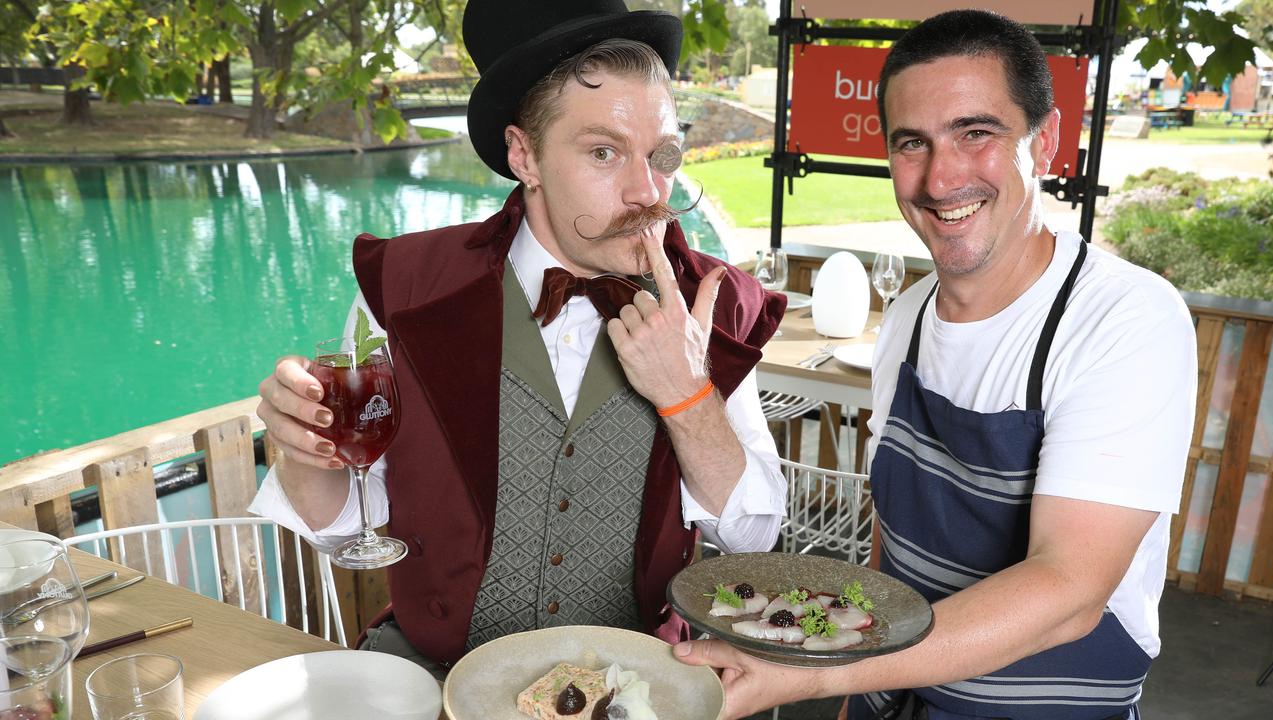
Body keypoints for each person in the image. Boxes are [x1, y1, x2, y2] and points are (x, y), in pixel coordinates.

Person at [674, 10, 1196, 720]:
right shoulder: (909, 316)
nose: (940, 177)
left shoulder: (1124, 320)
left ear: (1044, 144)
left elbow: (1068, 593)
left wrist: (825, 674)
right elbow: (896, 541)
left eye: (976, 133)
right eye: (911, 144)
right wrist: (859, 692)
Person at [249, 0, 787, 677]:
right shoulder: (408, 286)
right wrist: (305, 448)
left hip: (635, 684)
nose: (647, 190)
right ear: (523, 155)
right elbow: (339, 524)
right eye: (603, 152)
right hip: (429, 680)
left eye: (663, 154)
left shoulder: (716, 302)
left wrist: (687, 395)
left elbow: (751, 532)